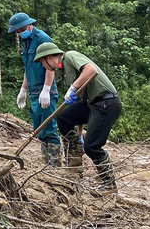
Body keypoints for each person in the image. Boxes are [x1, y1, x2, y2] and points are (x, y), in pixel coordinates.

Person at [33, 42, 122, 195]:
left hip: (106, 103)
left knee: (92, 146)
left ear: (48, 57)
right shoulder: (65, 71)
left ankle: (109, 183)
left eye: (42, 62)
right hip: (91, 104)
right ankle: (75, 157)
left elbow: (91, 70)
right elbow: (80, 104)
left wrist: (73, 87)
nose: (43, 66)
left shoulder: (70, 56)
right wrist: (79, 135)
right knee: (64, 117)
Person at [8, 12, 62, 167]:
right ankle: (46, 162)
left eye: (21, 29)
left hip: (46, 92)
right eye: (17, 31)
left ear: (28, 25)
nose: (19, 33)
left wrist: (46, 89)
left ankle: (55, 164)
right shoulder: (26, 42)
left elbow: (52, 65)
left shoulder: (42, 39)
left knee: (49, 127)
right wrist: (23, 90)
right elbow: (28, 67)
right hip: (33, 92)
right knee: (39, 129)